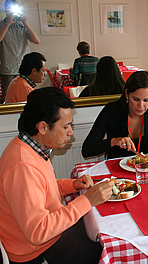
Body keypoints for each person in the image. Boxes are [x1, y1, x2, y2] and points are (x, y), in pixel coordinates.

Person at [0, 87, 114, 263]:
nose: (71, 132)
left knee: (103, 230)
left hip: (48, 238)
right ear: (43, 127)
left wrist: (71, 185)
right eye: (66, 126)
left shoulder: (30, 146)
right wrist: (87, 200)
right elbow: (37, 232)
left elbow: (42, 188)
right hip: (36, 252)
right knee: (106, 250)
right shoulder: (22, 166)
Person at [82, 70, 148, 159]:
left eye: (146, 100)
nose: (141, 106)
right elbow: (87, 150)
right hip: (116, 167)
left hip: (144, 166)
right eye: (136, 99)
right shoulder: (111, 111)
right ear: (127, 94)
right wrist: (113, 141)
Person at [0, 0, 40, 100]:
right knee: (9, 97)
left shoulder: (22, 26)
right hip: (8, 68)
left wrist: (26, 23)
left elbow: (36, 41)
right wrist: (7, 24)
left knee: (28, 95)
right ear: (6, 10)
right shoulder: (1, 25)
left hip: (24, 67)